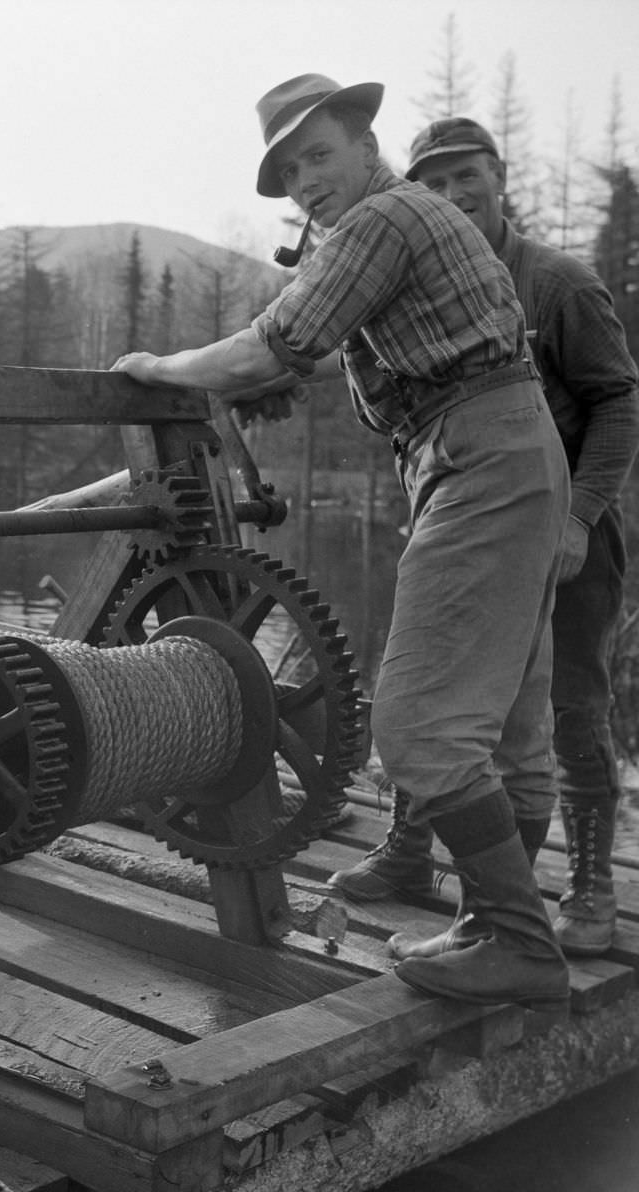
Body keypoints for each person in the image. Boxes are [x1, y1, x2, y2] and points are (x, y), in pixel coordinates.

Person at [112, 74, 572, 1012]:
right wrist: (289, 369)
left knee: (416, 726)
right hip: (504, 448)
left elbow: (268, 347)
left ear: (366, 142)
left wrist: (159, 367)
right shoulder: (403, 222)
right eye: (287, 172)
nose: (305, 183)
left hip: (479, 457)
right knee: (507, 721)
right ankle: (494, 925)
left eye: (317, 154)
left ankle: (520, 942)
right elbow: (336, 351)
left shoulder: (379, 222)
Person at [330, 118, 639, 960]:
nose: (452, 195)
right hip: (468, 514)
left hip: (568, 523)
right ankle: (408, 854)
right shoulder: (417, 278)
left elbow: (619, 401)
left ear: (497, 176)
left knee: (570, 704)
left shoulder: (559, 285)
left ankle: (587, 885)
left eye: (466, 176)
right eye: (431, 182)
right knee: (438, 683)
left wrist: (579, 515)